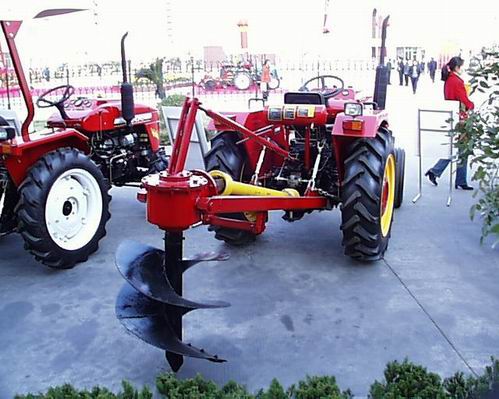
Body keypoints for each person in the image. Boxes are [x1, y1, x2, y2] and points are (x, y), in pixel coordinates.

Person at [426, 56, 475, 190]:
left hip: (452, 115)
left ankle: (438, 171)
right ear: (457, 67)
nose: (463, 69)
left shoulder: (448, 80)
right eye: (462, 67)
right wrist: (472, 105)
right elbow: (464, 100)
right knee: (463, 149)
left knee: (456, 148)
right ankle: (459, 179)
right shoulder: (457, 81)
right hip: (461, 117)